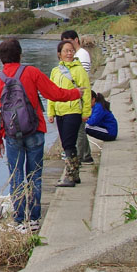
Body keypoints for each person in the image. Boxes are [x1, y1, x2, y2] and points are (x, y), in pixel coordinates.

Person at [0, 38, 81, 233]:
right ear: (20, 54)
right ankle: (34, 219)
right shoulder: (31, 72)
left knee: (16, 176)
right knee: (35, 176)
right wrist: (76, 94)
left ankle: (20, 220)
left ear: (1, 58)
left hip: (11, 135)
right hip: (35, 131)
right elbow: (54, 94)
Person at [47, 39, 92, 188]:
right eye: (66, 51)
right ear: (59, 54)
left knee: (68, 144)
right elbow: (51, 93)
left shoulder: (79, 70)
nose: (69, 53)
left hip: (73, 111)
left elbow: (86, 93)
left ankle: (70, 175)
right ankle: (75, 173)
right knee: (67, 142)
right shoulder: (55, 71)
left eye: (71, 50)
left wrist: (86, 112)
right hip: (60, 111)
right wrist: (51, 112)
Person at [60, 29, 93, 163]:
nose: (67, 48)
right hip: (74, 98)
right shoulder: (77, 55)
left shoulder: (82, 55)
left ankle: (81, 155)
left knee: (79, 129)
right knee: (78, 129)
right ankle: (84, 155)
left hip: (78, 98)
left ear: (76, 40)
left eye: (68, 42)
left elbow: (82, 78)